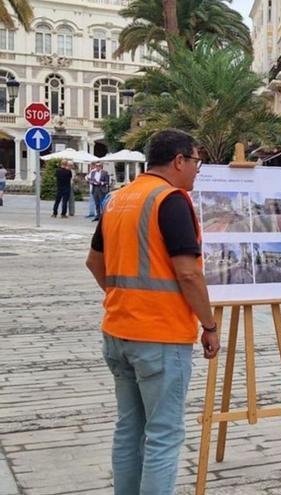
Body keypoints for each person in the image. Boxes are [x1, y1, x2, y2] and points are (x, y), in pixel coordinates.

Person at [85, 129, 220, 495]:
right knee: (163, 434)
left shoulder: (117, 199)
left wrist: (123, 296)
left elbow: (94, 262)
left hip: (117, 332)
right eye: (196, 161)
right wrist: (209, 325)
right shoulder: (171, 200)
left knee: (129, 429)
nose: (197, 170)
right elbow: (189, 273)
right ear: (179, 160)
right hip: (160, 336)